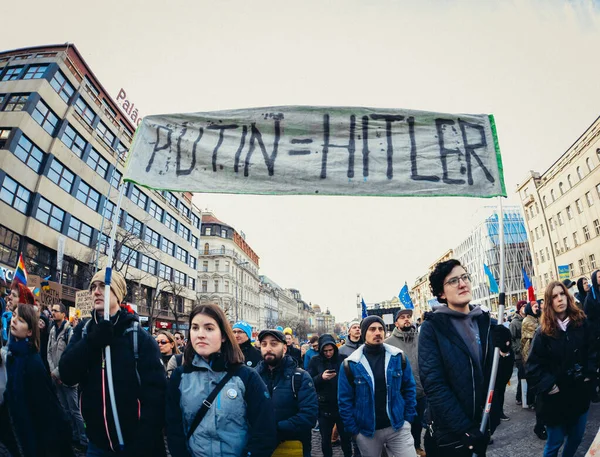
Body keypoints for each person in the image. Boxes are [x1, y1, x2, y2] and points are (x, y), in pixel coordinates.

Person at [59, 268, 167, 457]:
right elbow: (67, 373)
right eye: (93, 287)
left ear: (118, 294)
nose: (96, 292)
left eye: (103, 286)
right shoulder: (84, 331)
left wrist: (143, 440)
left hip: (134, 445)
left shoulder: (137, 337)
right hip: (96, 444)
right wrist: (92, 342)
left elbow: (156, 395)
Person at [419, 259, 513, 457]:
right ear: (441, 293)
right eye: (453, 281)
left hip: (482, 426)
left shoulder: (487, 322)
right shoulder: (433, 328)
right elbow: (434, 384)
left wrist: (505, 351)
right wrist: (464, 428)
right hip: (451, 437)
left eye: (464, 277)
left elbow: (499, 376)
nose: (462, 283)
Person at [166, 304, 277, 457]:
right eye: (195, 328)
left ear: (223, 335)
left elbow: (265, 430)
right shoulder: (180, 377)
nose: (200, 334)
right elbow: (173, 429)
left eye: (209, 328)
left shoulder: (246, 377)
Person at [527, 281, 596, 457]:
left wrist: (589, 374)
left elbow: (593, 351)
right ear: (549, 303)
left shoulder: (581, 323)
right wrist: (549, 385)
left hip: (579, 392)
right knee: (554, 442)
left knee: (576, 437)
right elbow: (533, 366)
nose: (559, 299)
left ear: (567, 296)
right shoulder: (543, 332)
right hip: (555, 400)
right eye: (554, 296)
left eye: (562, 294)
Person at [1, 304, 74, 457]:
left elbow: (45, 411)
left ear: (29, 331)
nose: (14, 321)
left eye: (20, 320)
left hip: (35, 441)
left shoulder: (32, 363)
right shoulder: (13, 357)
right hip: (18, 434)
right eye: (14, 315)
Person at [339, 315, 417, 457]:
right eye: (372, 329)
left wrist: (407, 419)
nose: (377, 332)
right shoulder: (350, 364)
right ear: (364, 333)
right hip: (367, 431)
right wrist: (355, 432)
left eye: (380, 329)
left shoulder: (398, 357)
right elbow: (344, 400)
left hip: (397, 427)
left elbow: (409, 389)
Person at [256, 329, 318, 457]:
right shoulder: (253, 377)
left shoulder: (300, 377)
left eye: (273, 344)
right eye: (264, 344)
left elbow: (308, 416)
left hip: (293, 446)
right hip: (260, 448)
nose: (268, 348)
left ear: (284, 348)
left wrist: (275, 429)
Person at [385, 308, 426, 457]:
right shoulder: (388, 343)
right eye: (402, 317)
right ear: (396, 323)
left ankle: (416, 446)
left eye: (408, 316)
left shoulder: (420, 337)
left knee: (418, 423)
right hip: (401, 393)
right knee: (403, 424)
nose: (406, 319)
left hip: (421, 390)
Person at [47, 302, 87, 450]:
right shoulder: (52, 331)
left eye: (56, 311)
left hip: (68, 378)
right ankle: (73, 435)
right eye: (53, 311)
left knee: (75, 410)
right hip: (56, 377)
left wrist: (58, 372)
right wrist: (53, 371)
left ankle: (83, 438)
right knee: (65, 409)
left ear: (64, 314)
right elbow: (49, 353)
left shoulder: (70, 332)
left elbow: (71, 355)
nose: (53, 313)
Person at [308, 333, 351, 457]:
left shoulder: (343, 359)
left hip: (342, 405)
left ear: (335, 348)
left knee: (346, 439)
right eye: (325, 351)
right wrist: (321, 377)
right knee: (325, 440)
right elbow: (309, 381)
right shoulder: (315, 361)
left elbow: (351, 379)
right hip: (324, 406)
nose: (328, 353)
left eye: (330, 350)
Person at [510, 300, 526, 406]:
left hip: (528, 352)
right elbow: (511, 338)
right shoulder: (514, 322)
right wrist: (517, 349)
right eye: (523, 306)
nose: (525, 307)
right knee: (522, 376)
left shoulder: (528, 319)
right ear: (519, 308)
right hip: (519, 354)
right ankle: (519, 397)